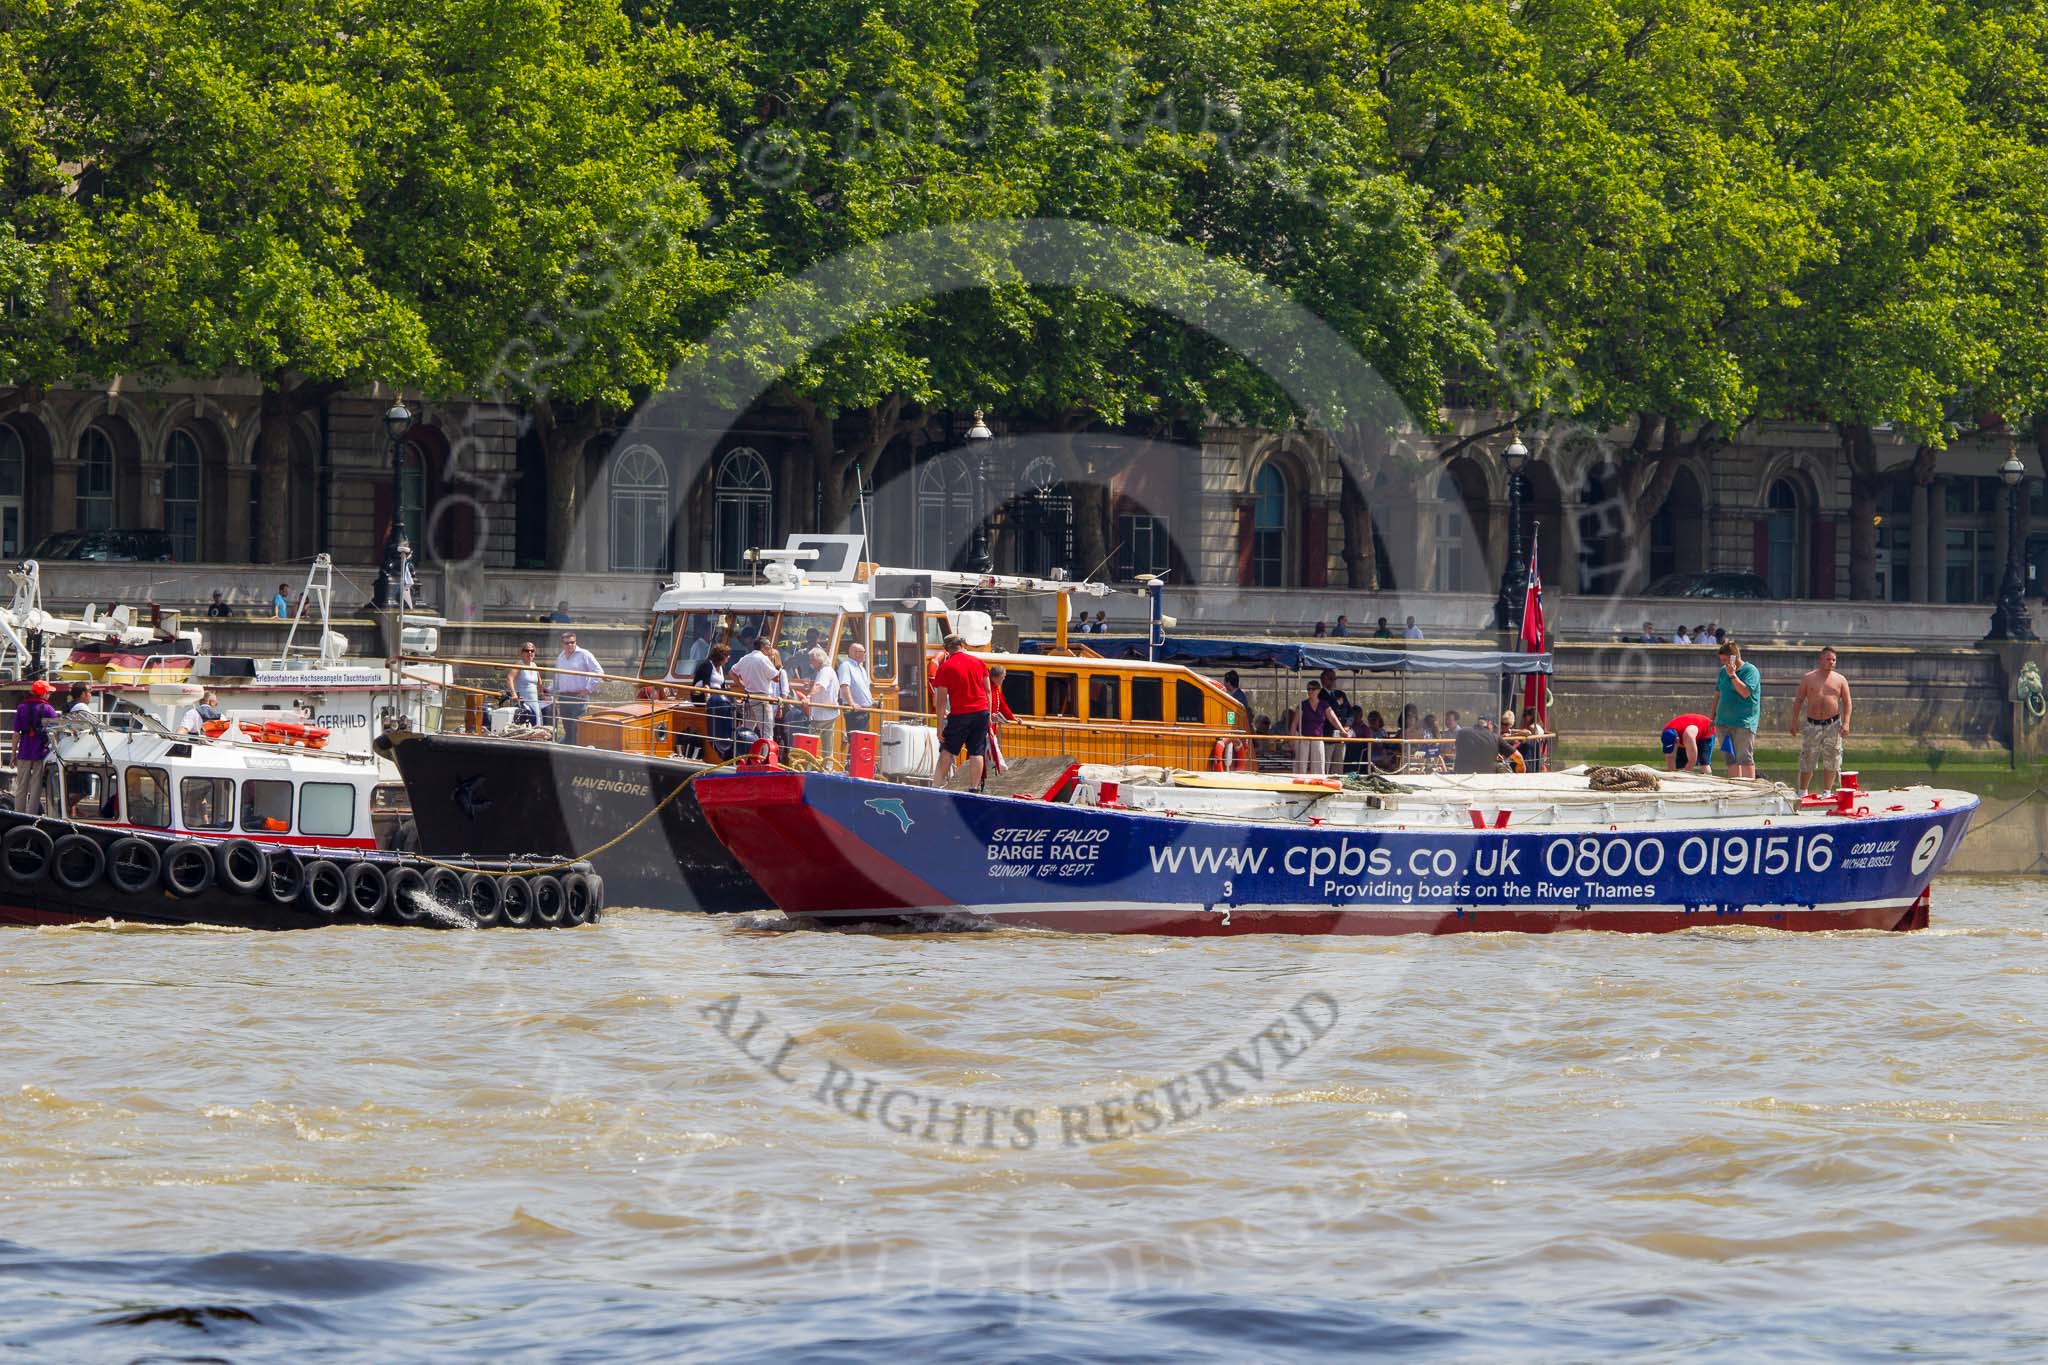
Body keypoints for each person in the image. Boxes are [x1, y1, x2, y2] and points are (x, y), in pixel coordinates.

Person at [1788, 645, 1852, 794]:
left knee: (1832, 758)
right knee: (1808, 758)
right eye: (1828, 659)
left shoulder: (1840, 679)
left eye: (1834, 660)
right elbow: (1799, 700)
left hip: (1833, 724)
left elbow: (1847, 702)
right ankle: (1802, 791)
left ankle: (1827, 791)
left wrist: (1847, 723)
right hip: (1812, 724)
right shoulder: (1808, 678)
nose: (1831, 662)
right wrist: (1794, 721)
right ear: (1821, 659)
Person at [932, 634, 992, 788]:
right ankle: (974, 788)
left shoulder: (945, 667)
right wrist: (989, 716)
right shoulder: (979, 662)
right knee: (976, 751)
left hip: (960, 713)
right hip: (981, 711)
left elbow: (941, 700)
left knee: (947, 749)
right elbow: (988, 691)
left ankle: (935, 786)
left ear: (946, 650)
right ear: (962, 645)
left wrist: (939, 727)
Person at [1714, 639, 1762, 779]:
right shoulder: (1723, 671)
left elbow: (1745, 692)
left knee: (1745, 759)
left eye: (1725, 659)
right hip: (1723, 722)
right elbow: (1718, 694)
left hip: (1743, 723)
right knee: (1731, 760)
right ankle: (1735, 787)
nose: (1723, 663)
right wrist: (1712, 716)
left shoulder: (1750, 671)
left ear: (1734, 657)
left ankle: (1749, 790)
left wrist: (1733, 675)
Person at [10, 680, 59, 815]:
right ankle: (31, 815)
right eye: (48, 692)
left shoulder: (21, 707)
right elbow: (56, 730)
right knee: (36, 786)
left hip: (24, 751)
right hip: (40, 751)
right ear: (42, 693)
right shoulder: (49, 709)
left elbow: (16, 734)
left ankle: (18, 814)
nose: (49, 695)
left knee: (21, 786)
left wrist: (13, 754)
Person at [726, 637, 780, 744]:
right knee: (767, 732)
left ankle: (743, 754)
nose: (770, 648)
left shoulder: (745, 658)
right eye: (769, 645)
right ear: (763, 647)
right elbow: (776, 678)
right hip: (761, 698)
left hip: (749, 697)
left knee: (747, 729)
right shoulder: (764, 659)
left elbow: (731, 673)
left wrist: (743, 687)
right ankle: (765, 758)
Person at [552, 632, 602, 744]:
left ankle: (577, 751)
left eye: (572, 642)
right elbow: (557, 677)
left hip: (578, 697)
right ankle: (568, 750)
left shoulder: (584, 654)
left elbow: (599, 672)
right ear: (562, 644)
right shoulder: (560, 657)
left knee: (577, 727)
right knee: (567, 727)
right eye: (567, 643)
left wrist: (588, 689)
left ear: (576, 642)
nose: (570, 645)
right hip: (563, 697)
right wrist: (549, 690)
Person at [1293, 680, 1347, 775]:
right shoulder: (1303, 705)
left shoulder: (1324, 705)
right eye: (1308, 689)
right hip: (1303, 738)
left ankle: (1317, 782)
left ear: (1318, 690)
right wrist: (1291, 740)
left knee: (1318, 766)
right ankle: (1300, 781)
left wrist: (1342, 731)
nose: (1310, 691)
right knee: (1301, 765)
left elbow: (1333, 718)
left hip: (1318, 738)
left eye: (1313, 689)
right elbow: (1294, 723)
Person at [692, 643, 734, 758]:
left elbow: (722, 685)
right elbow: (706, 685)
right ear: (721, 656)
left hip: (717, 697)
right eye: (727, 655)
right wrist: (708, 701)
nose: (728, 658)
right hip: (702, 697)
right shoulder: (707, 665)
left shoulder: (720, 668)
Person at [804, 646, 840, 759]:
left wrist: (808, 697)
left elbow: (819, 686)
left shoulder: (825, 672)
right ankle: (827, 768)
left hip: (822, 715)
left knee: (810, 742)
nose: (810, 663)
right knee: (828, 746)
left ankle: (808, 766)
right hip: (830, 713)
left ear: (818, 660)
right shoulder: (829, 671)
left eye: (811, 660)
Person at [1452, 715, 1519, 774]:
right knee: (1504, 767)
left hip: (1461, 774)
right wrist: (1522, 768)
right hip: (1485, 776)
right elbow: (1518, 757)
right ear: (1489, 723)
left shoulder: (1461, 732)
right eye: (1493, 726)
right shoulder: (1494, 737)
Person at [837, 643, 875, 735]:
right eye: (864, 652)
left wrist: (872, 701)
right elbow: (844, 686)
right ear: (856, 653)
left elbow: (863, 688)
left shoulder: (861, 667)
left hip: (864, 711)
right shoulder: (846, 666)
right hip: (855, 712)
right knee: (855, 740)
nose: (866, 654)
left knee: (862, 741)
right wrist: (852, 703)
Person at [507, 643, 545, 728]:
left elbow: (539, 682)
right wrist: (513, 694)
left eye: (532, 651)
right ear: (522, 653)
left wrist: (542, 694)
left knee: (537, 724)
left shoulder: (534, 665)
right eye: (527, 650)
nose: (530, 653)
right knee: (525, 726)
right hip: (523, 702)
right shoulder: (519, 664)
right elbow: (509, 678)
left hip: (534, 701)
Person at [1519, 706, 1548, 772]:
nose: (1525, 717)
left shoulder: (1532, 727)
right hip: (1537, 753)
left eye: (1526, 715)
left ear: (1531, 716)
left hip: (1532, 754)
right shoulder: (1539, 726)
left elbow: (1529, 741)